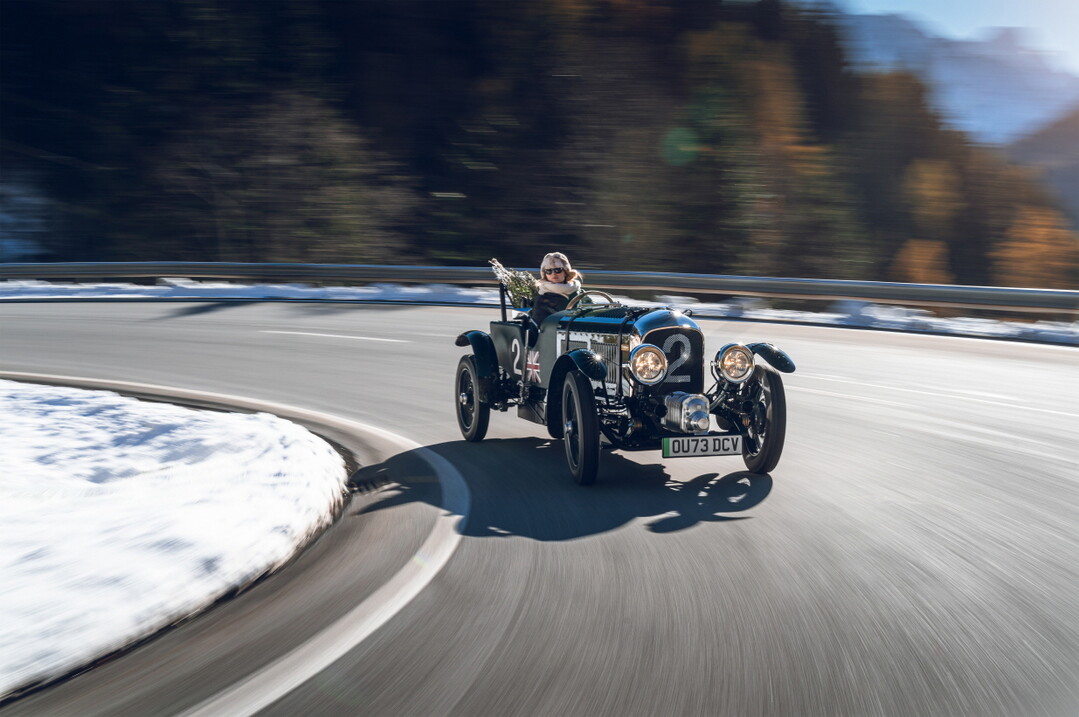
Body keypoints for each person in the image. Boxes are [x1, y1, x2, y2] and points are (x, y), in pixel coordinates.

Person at [530, 251, 583, 327]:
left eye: (558, 270)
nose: (553, 273)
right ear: (545, 274)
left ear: (565, 271)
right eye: (549, 271)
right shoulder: (543, 296)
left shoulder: (578, 290)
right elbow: (541, 324)